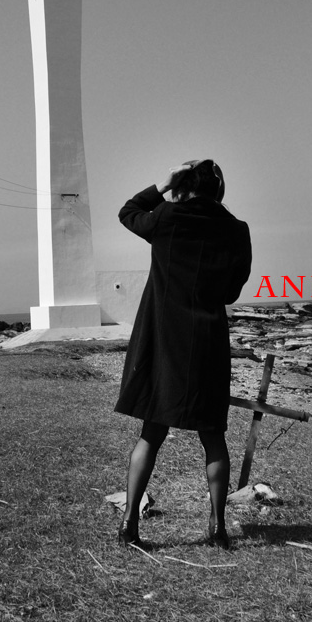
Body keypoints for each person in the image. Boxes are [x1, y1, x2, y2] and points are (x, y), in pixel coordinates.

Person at [113, 159, 252, 550]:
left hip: (164, 341)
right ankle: (218, 528)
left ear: (183, 187)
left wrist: (161, 185)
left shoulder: (166, 217)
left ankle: (129, 525)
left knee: (151, 433)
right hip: (207, 341)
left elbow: (128, 212)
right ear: (217, 189)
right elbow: (231, 292)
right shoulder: (236, 229)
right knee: (213, 436)